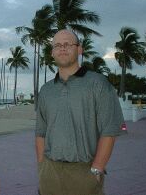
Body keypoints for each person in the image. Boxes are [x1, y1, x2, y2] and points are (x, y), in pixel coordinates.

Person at [35, 30, 127, 195]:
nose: (62, 48)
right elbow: (41, 133)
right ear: (52, 52)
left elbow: (110, 130)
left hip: (84, 173)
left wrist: (97, 169)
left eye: (68, 44)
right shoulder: (46, 90)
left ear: (79, 49)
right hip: (50, 174)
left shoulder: (98, 84)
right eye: (57, 45)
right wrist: (42, 166)